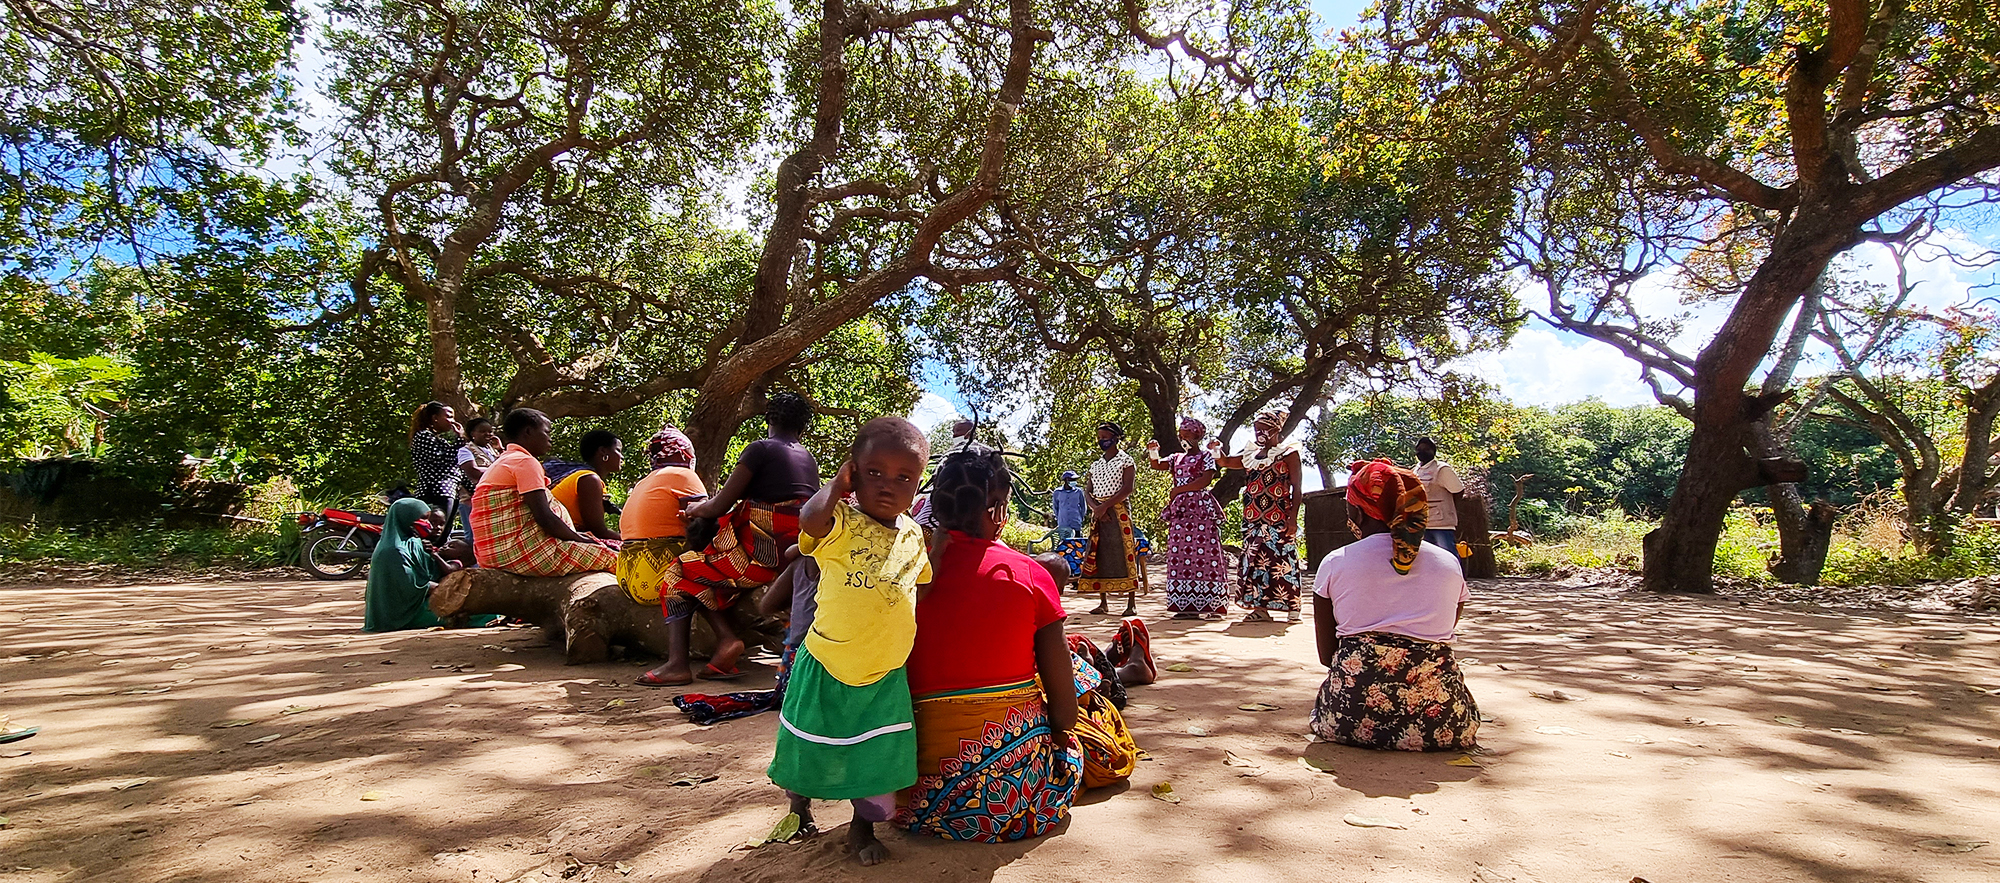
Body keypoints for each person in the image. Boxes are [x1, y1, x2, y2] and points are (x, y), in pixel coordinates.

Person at [767, 417, 932, 866]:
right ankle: (799, 807)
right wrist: (835, 490)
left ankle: (862, 828)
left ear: (919, 482)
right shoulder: (839, 519)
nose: (887, 486)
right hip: (828, 662)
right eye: (874, 473)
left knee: (877, 757)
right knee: (810, 745)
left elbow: (918, 586)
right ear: (852, 472)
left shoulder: (915, 533)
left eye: (904, 477)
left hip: (885, 673)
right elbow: (810, 520)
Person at [901, 444, 1081, 841]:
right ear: (997, 507)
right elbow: (1065, 717)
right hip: (1009, 803)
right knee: (1083, 684)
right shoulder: (1030, 574)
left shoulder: (903, 576)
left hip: (909, 803)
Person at [638, 392, 820, 686]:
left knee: (677, 573)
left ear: (769, 419)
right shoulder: (807, 457)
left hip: (760, 556)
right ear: (803, 427)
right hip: (791, 554)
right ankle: (726, 643)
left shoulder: (760, 450)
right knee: (705, 576)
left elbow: (720, 504)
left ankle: (676, 665)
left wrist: (694, 509)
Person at [1309, 459, 1479, 752]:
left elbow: (1328, 656)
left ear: (1357, 513)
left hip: (1350, 719)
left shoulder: (1336, 562)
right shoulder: (1448, 563)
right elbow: (1445, 629)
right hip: (1442, 725)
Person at [467, 409, 618, 576]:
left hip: (492, 556)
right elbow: (545, 517)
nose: (550, 438)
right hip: (521, 553)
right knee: (614, 558)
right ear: (528, 432)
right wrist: (581, 540)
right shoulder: (525, 462)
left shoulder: (504, 460)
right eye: (546, 432)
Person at [1217, 409, 1304, 623]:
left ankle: (1293, 606)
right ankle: (1260, 608)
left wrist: (1293, 518)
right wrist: (1215, 451)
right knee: (1255, 563)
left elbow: (1297, 488)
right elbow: (1226, 462)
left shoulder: (1288, 454)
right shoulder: (1251, 456)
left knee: (1283, 561)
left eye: (1264, 429)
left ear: (1276, 430)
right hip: (1254, 520)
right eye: (1257, 429)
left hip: (1279, 518)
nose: (1260, 433)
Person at [1147, 417, 1230, 621]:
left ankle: (1214, 604)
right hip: (1181, 512)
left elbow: (1206, 479)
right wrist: (1153, 451)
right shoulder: (1175, 458)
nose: (1183, 440)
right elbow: (1157, 465)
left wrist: (1179, 490)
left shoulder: (1206, 456)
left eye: (1187, 436)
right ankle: (1185, 605)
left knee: (1206, 553)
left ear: (1197, 437)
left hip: (1200, 509)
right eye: (1181, 436)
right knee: (1180, 552)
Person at [615, 427, 707, 606]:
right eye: (691, 452)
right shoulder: (683, 475)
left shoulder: (643, 481)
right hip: (658, 579)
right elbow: (706, 519)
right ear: (682, 453)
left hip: (627, 578)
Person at [364, 497, 464, 631]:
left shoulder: (414, 542)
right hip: (402, 612)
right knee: (480, 615)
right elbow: (412, 585)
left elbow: (431, 570)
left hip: (417, 603)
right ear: (406, 518)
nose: (426, 524)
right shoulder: (393, 550)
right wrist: (446, 590)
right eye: (422, 518)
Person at [1076, 421, 1139, 616]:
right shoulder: (1095, 465)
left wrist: (1105, 506)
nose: (1101, 441)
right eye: (1099, 438)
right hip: (1099, 512)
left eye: (1104, 438)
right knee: (1098, 552)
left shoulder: (1126, 461)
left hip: (1118, 510)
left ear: (1115, 438)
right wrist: (1096, 508)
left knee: (1124, 551)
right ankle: (1103, 602)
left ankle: (1131, 603)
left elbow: (1127, 488)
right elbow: (1087, 490)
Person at [547, 429, 624, 542]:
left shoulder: (582, 475)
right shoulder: (589, 479)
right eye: (618, 450)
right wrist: (632, 539)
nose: (622, 457)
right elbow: (599, 532)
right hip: (558, 541)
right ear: (603, 451)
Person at [408, 401, 466, 514]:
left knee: (445, 530)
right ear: (435, 418)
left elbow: (455, 466)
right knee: (437, 530)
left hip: (449, 491)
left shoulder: (439, 440)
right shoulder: (423, 436)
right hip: (435, 492)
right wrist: (460, 439)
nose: (453, 422)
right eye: (449, 417)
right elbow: (442, 459)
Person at [1413, 436, 1465, 553]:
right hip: (1421, 523)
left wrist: (1448, 508)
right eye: (1419, 449)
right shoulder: (1416, 470)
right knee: (1428, 558)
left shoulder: (1442, 469)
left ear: (1433, 451)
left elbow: (1458, 491)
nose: (1421, 452)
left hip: (1441, 525)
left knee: (1448, 556)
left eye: (1425, 449)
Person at [455, 417, 502, 542]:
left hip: (491, 500)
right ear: (472, 434)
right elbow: (473, 472)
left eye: (490, 431)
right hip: (470, 501)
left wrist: (500, 449)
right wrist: (498, 471)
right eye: (483, 431)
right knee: (474, 539)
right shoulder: (465, 450)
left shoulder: (493, 451)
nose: (488, 434)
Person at [1050, 470, 1086, 539]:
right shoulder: (1057, 492)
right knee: (1064, 545)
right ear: (1066, 480)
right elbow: (1055, 507)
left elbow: (1083, 506)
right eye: (1072, 479)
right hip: (1063, 524)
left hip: (1075, 522)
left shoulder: (1078, 492)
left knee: (1077, 544)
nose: (1074, 481)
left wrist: (1080, 518)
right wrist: (1059, 518)